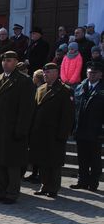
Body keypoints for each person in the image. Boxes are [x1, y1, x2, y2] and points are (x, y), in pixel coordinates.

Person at [0, 51, 35, 204]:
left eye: (10, 61)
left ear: (16, 62)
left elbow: (26, 109)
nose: (6, 63)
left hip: (13, 129)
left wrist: (21, 130)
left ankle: (12, 193)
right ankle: (1, 191)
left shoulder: (24, 81)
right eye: (4, 61)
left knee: (12, 163)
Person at [28, 63, 74, 198]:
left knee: (53, 162)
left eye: (48, 72)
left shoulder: (65, 90)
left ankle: (53, 187)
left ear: (56, 73)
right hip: (40, 132)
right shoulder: (41, 88)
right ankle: (44, 185)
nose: (45, 75)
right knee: (42, 161)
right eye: (44, 72)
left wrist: (63, 134)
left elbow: (68, 116)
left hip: (54, 133)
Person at [71, 62, 104, 192]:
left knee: (94, 158)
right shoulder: (80, 87)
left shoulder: (102, 89)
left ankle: (93, 182)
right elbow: (75, 109)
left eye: (95, 73)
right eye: (90, 72)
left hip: (95, 130)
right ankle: (82, 181)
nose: (91, 74)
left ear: (100, 75)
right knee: (82, 157)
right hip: (81, 128)